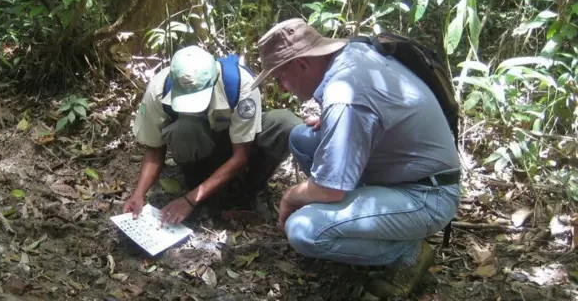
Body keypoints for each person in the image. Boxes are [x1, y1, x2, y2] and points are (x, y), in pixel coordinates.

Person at [250, 19, 461, 298]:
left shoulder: (344, 93)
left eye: (280, 77)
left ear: (301, 64)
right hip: (400, 174)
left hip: (427, 194)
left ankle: (408, 252)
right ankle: (364, 226)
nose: (283, 88)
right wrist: (333, 122)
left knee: (302, 230)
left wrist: (289, 196)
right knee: (302, 139)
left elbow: (330, 189)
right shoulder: (353, 54)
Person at [124, 45, 301, 225]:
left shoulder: (241, 84)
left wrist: (188, 200)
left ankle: (249, 192)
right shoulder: (159, 89)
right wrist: (138, 194)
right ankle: (199, 187)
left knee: (285, 123)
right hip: (200, 143)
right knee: (183, 128)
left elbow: (241, 156)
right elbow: (154, 149)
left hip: (237, 143)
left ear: (214, 79)